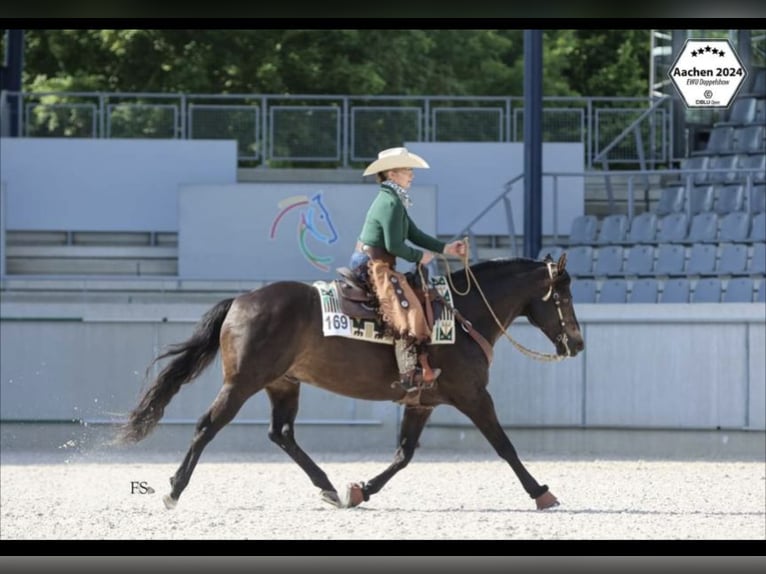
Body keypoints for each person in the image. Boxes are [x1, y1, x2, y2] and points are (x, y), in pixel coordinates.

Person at [348, 146, 466, 393]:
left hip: (378, 262)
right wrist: (418, 256)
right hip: (372, 265)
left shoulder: (394, 200)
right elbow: (394, 245)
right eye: (407, 171)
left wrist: (446, 248)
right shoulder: (390, 202)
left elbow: (414, 234)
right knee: (407, 308)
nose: (412, 175)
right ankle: (409, 373)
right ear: (392, 174)